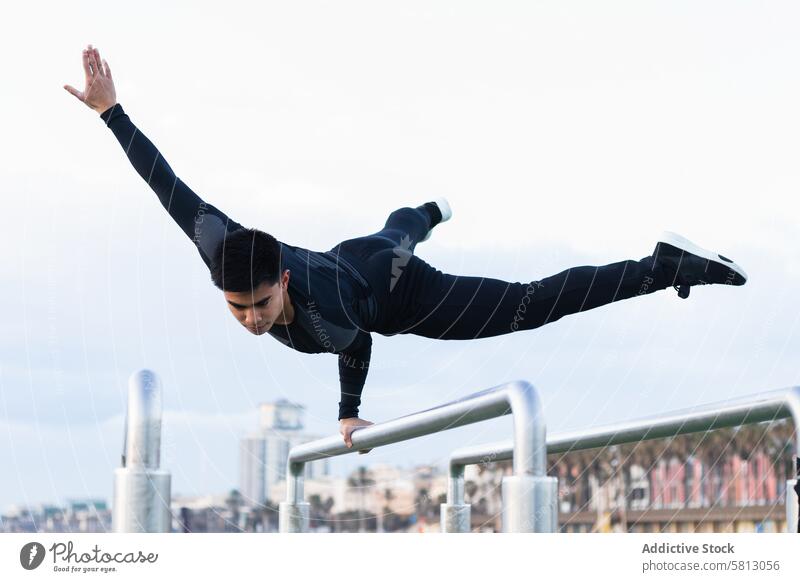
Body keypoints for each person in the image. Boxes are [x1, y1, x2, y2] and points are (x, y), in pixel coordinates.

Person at [65, 45, 748, 452]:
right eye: (238, 308)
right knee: (394, 232)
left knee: (529, 305)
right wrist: (110, 112)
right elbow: (166, 183)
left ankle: (664, 265)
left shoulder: (323, 316)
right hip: (354, 254)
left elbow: (358, 343)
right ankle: (421, 212)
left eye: (261, 304)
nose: (251, 319)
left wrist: (347, 411)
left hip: (395, 292)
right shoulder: (221, 244)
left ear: (281, 282)